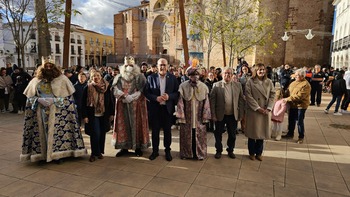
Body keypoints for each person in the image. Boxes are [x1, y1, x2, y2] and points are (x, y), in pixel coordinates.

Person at [20, 57, 87, 163]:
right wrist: (38, 100)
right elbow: (29, 97)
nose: (48, 68)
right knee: (41, 133)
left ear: (54, 67)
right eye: (46, 66)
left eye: (50, 66)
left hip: (58, 111)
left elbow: (68, 98)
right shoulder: (36, 80)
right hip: (40, 110)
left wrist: (55, 100)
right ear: (42, 68)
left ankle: (57, 155)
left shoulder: (62, 79)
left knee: (57, 133)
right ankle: (42, 155)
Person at [111, 56, 150, 157]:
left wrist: (133, 96)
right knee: (123, 126)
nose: (129, 67)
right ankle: (124, 148)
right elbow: (114, 88)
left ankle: (137, 147)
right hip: (122, 105)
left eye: (131, 65)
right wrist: (123, 96)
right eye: (127, 65)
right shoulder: (119, 77)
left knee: (137, 125)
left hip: (137, 106)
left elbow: (143, 90)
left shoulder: (140, 76)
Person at [145, 58, 179, 161]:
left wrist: (169, 96)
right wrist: (156, 98)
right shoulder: (151, 78)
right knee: (155, 131)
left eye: (164, 65)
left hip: (167, 109)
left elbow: (177, 93)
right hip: (155, 109)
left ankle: (167, 151)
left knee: (167, 132)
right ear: (157, 66)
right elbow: (146, 93)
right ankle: (155, 151)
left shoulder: (173, 78)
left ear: (168, 66)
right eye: (160, 65)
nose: (162, 67)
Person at [176, 66, 211, 160]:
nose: (194, 77)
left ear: (199, 76)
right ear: (188, 76)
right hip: (187, 118)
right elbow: (180, 103)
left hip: (199, 118)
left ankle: (199, 154)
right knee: (187, 136)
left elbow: (206, 103)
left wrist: (205, 117)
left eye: (196, 75)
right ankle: (186, 154)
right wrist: (181, 116)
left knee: (199, 135)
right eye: (192, 75)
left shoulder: (203, 87)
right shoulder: (183, 86)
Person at [210, 67, 245, 159]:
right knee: (218, 134)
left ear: (232, 75)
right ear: (222, 74)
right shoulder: (216, 85)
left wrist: (241, 114)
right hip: (219, 115)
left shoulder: (238, 85)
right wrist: (213, 114)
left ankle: (230, 150)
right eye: (225, 73)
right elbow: (212, 102)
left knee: (232, 135)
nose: (227, 75)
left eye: (229, 73)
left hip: (233, 115)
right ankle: (218, 150)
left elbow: (241, 100)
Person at [245, 63, 275, 161]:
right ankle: (251, 152)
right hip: (254, 111)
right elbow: (248, 96)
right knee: (253, 133)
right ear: (255, 71)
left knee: (261, 133)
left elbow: (272, 95)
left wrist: (269, 107)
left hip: (265, 110)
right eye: (259, 70)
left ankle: (259, 153)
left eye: (263, 69)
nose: (262, 71)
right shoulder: (250, 82)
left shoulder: (269, 82)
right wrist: (257, 108)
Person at [82, 71, 114, 162]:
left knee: (102, 133)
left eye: (98, 75)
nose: (96, 77)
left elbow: (110, 101)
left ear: (101, 77)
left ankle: (99, 152)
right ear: (91, 77)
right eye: (94, 76)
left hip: (104, 114)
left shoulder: (107, 87)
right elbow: (83, 103)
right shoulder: (87, 88)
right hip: (92, 115)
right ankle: (93, 153)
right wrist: (85, 116)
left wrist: (111, 113)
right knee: (95, 133)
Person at [282, 69, 312, 144]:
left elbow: (300, 96)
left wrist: (288, 99)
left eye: (297, 75)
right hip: (292, 105)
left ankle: (301, 137)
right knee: (291, 120)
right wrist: (282, 94)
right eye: (295, 75)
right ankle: (290, 134)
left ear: (302, 76)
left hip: (301, 106)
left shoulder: (306, 84)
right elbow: (288, 92)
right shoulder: (293, 83)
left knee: (299, 121)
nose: (295, 76)